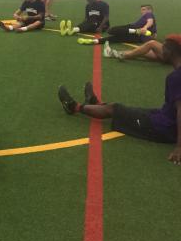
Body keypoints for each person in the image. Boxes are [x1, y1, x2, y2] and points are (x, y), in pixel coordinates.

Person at [58, 35, 181, 165]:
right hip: (164, 116)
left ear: (172, 52)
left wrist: (179, 147)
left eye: (164, 48)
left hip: (163, 128)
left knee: (115, 108)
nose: (161, 50)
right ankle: (96, 104)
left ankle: (74, 107)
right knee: (131, 110)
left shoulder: (176, 77)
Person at [77, 5, 156, 46]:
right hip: (138, 38)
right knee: (117, 38)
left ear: (150, 10)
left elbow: (150, 22)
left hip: (136, 31)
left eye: (144, 9)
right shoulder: (146, 17)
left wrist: (144, 28)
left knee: (112, 30)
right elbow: (154, 34)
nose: (142, 11)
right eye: (141, 9)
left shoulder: (149, 14)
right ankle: (95, 41)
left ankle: (136, 31)